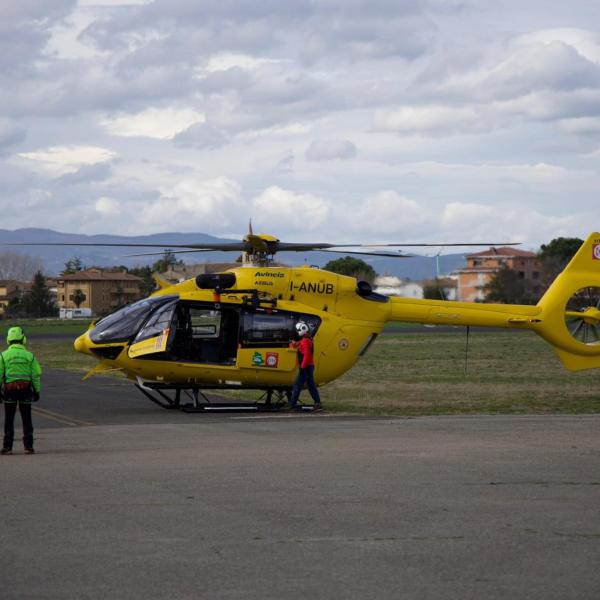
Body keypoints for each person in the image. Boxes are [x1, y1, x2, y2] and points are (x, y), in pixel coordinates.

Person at [0, 326, 42, 455]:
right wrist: (37, 391)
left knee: (9, 419)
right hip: (25, 391)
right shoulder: (30, 355)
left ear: (8, 340)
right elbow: (36, 374)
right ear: (23, 339)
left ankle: (7, 447)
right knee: (26, 419)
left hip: (10, 391)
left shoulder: (3, 355)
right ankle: (28, 447)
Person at [289, 321, 322, 411]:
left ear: (301, 330)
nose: (296, 332)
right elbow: (300, 345)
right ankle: (318, 403)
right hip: (309, 367)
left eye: (297, 330)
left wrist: (302, 367)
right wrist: (294, 343)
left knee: (297, 385)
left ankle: (292, 405)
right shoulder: (307, 339)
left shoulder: (305, 341)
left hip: (306, 367)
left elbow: (306, 355)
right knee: (311, 386)